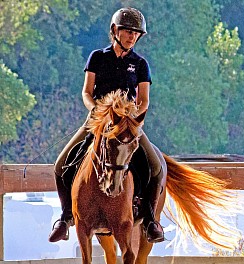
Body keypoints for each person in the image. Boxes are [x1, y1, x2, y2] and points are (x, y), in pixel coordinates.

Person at [48, 7, 164, 243]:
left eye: (135, 33)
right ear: (115, 31)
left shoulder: (140, 64)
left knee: (156, 167)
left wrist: (130, 116)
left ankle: (151, 220)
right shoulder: (97, 57)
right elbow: (87, 92)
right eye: (127, 31)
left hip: (127, 125)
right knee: (60, 165)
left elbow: (144, 101)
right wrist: (97, 111)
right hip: (97, 122)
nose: (131, 36)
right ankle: (66, 217)